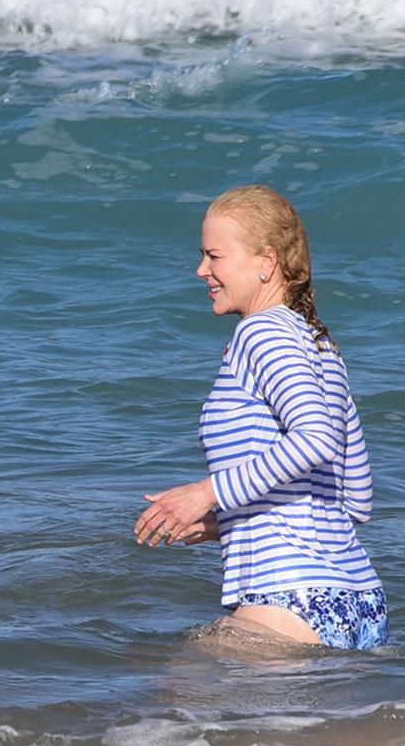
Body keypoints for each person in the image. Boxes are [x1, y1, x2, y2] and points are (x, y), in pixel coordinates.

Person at [135, 185, 386, 650]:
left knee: (161, 699)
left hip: (291, 600)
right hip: (359, 602)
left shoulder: (260, 333)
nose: (201, 271)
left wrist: (205, 494)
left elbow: (315, 439)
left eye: (214, 256)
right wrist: (228, 524)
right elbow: (356, 500)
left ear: (266, 262)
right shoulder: (322, 346)